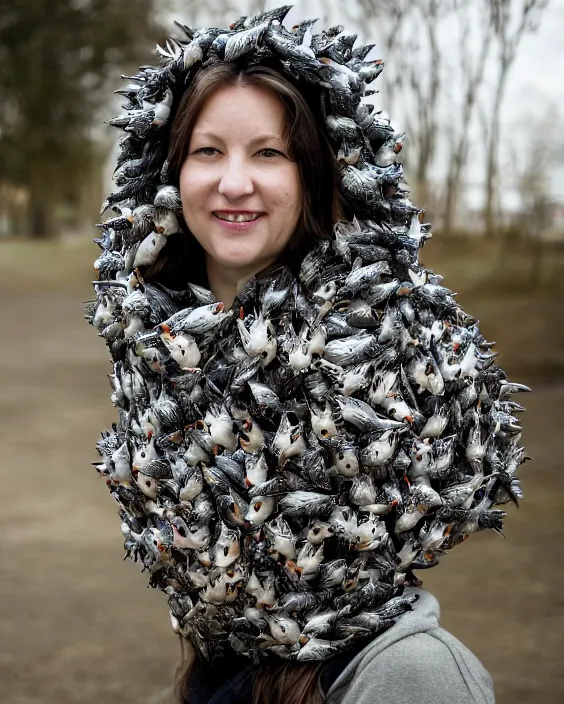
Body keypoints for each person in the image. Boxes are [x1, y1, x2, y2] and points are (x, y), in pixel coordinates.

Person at [88, 7, 527, 704]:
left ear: (321, 171)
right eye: (207, 151)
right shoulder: (148, 365)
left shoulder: (409, 679)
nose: (234, 183)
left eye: (269, 152)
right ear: (166, 177)